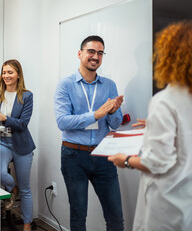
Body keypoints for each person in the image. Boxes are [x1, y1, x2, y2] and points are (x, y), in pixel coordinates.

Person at [108, 21, 192, 230]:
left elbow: (157, 162)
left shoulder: (165, 101)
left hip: (167, 204)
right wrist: (155, 124)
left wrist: (125, 160)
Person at [54, 35, 124, 230]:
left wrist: (111, 112)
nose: (95, 56)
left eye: (100, 53)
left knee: (116, 217)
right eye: (91, 51)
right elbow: (62, 121)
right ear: (80, 54)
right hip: (74, 155)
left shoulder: (109, 85)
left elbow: (116, 123)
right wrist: (95, 114)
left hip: (103, 155)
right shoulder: (65, 85)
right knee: (78, 216)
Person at [0, 59, 35, 231]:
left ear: (18, 75)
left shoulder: (27, 96)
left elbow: (23, 124)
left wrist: (5, 118)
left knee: (26, 189)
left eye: (10, 72)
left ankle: (27, 225)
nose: (6, 76)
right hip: (2, 142)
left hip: (21, 144)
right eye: (4, 72)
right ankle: (13, 188)